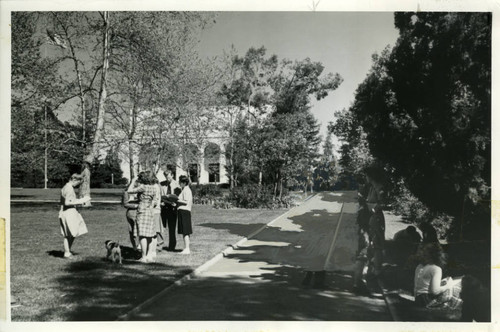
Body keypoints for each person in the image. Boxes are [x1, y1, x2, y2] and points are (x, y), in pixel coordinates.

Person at [414, 242, 462, 309]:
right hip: (427, 301)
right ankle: (455, 306)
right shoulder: (436, 269)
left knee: (447, 282)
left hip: (418, 299)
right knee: (458, 284)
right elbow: (435, 291)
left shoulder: (419, 266)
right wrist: (448, 286)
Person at [127, 171, 158, 263]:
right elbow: (155, 201)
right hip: (150, 212)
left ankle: (143, 256)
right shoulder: (153, 188)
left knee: (142, 235)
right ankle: (149, 255)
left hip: (142, 211)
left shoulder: (143, 187)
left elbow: (129, 191)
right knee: (150, 235)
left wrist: (132, 181)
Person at [59, 173, 91, 258]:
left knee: (73, 233)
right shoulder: (69, 188)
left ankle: (68, 251)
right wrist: (81, 200)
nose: (77, 185)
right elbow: (67, 202)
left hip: (67, 212)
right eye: (78, 183)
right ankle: (67, 252)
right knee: (69, 234)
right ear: (74, 180)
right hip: (69, 212)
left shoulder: (66, 187)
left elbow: (69, 200)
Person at [160, 170, 180, 251]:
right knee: (162, 228)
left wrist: (176, 204)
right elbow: (160, 195)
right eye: (166, 177)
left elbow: (179, 197)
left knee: (172, 228)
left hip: (173, 209)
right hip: (164, 208)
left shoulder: (177, 184)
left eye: (168, 176)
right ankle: (160, 245)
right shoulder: (162, 184)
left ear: (172, 175)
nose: (167, 178)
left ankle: (172, 246)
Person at [176, 175, 193, 254]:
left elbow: (185, 201)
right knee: (184, 231)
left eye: (180, 182)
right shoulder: (184, 190)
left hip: (184, 211)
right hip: (183, 211)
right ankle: (186, 247)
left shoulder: (186, 190)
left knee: (185, 230)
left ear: (184, 182)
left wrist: (177, 200)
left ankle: (187, 248)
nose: (179, 183)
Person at [122, 180, 139, 251]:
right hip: (131, 213)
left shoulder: (140, 191)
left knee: (139, 230)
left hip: (139, 213)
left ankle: (140, 245)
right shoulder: (126, 192)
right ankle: (134, 246)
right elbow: (125, 204)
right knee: (131, 230)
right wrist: (135, 205)